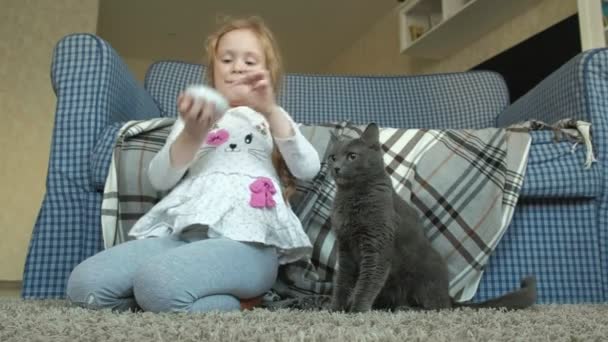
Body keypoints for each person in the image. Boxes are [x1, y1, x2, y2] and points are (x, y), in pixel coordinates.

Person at [66, 16, 321, 313]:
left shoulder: (273, 118)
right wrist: (192, 133)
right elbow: (159, 179)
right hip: (182, 241)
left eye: (250, 61)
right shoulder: (197, 118)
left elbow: (308, 169)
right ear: (213, 72)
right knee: (85, 286)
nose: (238, 67)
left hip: (249, 245)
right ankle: (176, 300)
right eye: (227, 59)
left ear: (268, 73)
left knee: (157, 284)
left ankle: (231, 302)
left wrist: (270, 109)